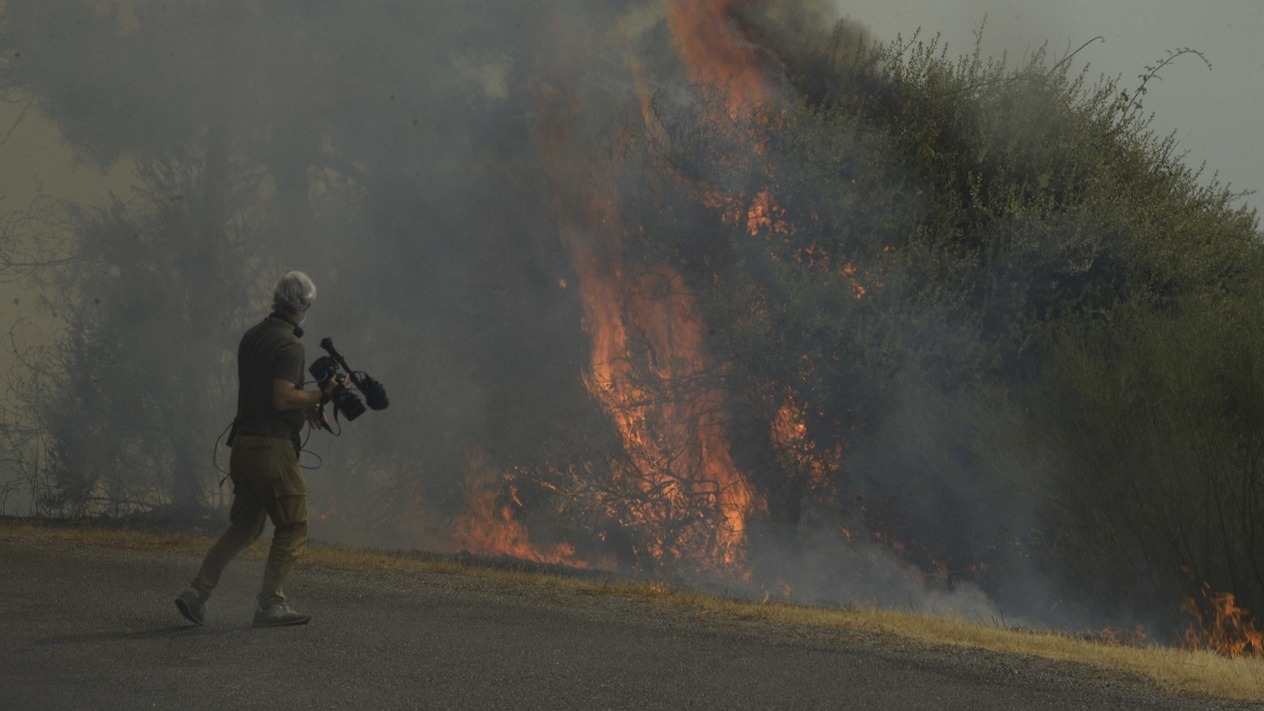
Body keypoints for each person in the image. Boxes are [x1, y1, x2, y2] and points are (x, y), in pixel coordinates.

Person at [175, 271, 344, 628]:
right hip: (273, 449)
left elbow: (265, 392)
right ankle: (270, 604)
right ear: (306, 306)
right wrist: (323, 395)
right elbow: (282, 397)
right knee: (294, 524)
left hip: (244, 446)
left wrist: (306, 404)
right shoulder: (290, 345)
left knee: (246, 525)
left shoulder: (252, 337)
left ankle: (196, 593)